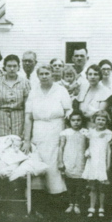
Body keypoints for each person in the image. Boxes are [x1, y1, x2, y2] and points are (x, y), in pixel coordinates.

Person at [23, 65, 72, 198]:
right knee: (39, 159)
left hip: (56, 129)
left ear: (52, 74)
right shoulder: (33, 91)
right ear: (38, 76)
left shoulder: (61, 90)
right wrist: (27, 140)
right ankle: (39, 194)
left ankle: (56, 194)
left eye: (47, 73)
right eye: (41, 74)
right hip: (38, 130)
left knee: (54, 161)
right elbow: (28, 116)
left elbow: (69, 111)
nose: (44, 76)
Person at [0, 54, 30, 138]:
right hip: (1, 120)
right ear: (4, 67)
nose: (12, 69)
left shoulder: (25, 82)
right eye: (9, 66)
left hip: (19, 120)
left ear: (19, 67)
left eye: (14, 66)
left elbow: (28, 107)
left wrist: (25, 128)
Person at [82, 110, 112, 218]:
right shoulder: (91, 132)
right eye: (98, 119)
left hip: (102, 162)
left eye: (103, 120)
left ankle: (101, 207)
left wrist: (108, 164)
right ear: (94, 120)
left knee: (102, 187)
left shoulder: (108, 133)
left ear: (106, 121)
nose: (101, 121)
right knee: (93, 186)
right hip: (93, 161)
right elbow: (89, 145)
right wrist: (88, 152)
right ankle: (91, 207)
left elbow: (109, 150)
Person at [58, 110, 87, 215]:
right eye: (73, 120)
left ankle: (77, 204)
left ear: (82, 121)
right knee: (69, 183)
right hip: (68, 159)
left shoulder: (85, 132)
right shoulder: (65, 132)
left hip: (80, 160)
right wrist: (60, 161)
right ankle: (70, 204)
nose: (76, 122)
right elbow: (61, 147)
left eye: (78, 120)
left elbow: (88, 146)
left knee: (80, 183)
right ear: (69, 121)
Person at [78, 64, 112, 128]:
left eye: (95, 74)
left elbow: (99, 113)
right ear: (87, 76)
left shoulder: (106, 92)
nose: (92, 77)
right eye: (90, 74)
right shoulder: (83, 90)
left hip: (97, 127)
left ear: (100, 76)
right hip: (82, 126)